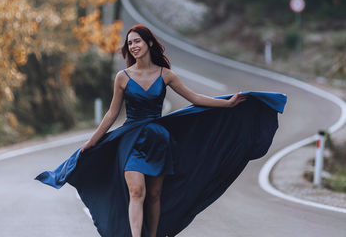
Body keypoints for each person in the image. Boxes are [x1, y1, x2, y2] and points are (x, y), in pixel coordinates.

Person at [36, 24, 287, 237]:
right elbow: (112, 114)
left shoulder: (166, 75)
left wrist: (228, 103)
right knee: (137, 191)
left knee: (154, 196)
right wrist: (91, 141)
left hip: (158, 140)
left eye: (137, 41)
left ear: (148, 43)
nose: (133, 46)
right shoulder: (122, 77)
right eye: (129, 43)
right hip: (130, 140)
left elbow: (195, 98)